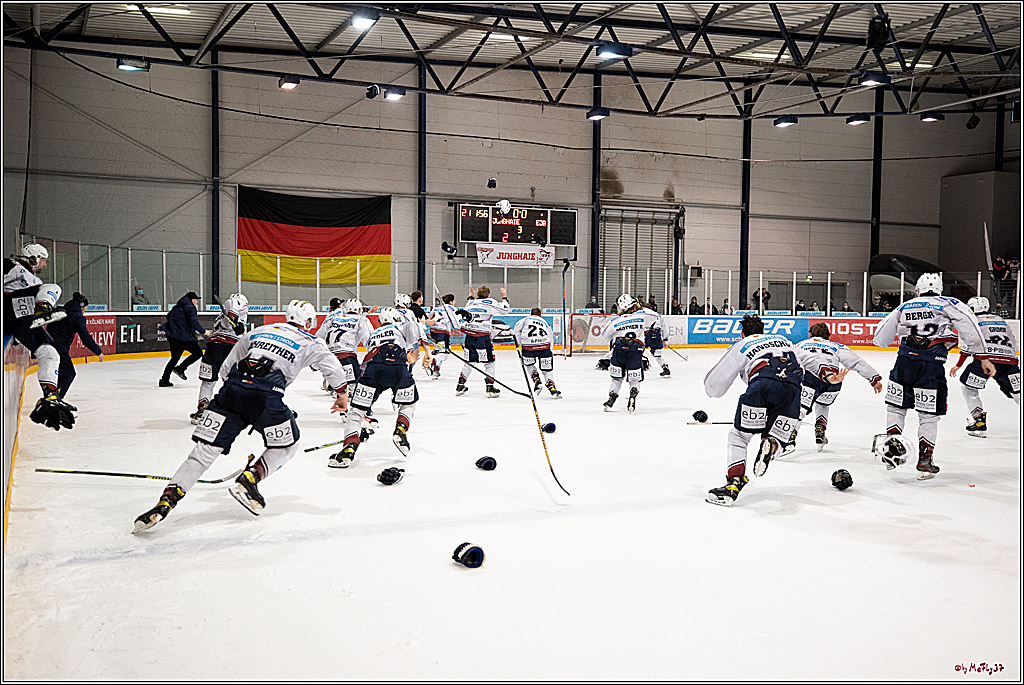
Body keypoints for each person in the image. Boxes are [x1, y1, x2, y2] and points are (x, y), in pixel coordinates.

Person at [133, 300, 348, 532]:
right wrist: (342, 396)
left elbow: (227, 366)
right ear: (308, 322)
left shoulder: (261, 330)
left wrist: (235, 397)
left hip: (232, 392)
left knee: (204, 452)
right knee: (288, 443)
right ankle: (250, 479)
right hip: (265, 397)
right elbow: (334, 370)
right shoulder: (311, 342)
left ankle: (166, 500)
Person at [871, 273, 990, 479]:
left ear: (918, 288)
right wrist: (977, 348)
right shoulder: (949, 303)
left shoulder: (905, 306)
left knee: (896, 407)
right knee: (928, 416)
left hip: (904, 363)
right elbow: (971, 329)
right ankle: (925, 461)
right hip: (931, 366)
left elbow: (880, 338)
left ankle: (891, 450)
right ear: (940, 288)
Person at [703, 315, 819, 506]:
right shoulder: (783, 340)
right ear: (763, 331)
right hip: (793, 390)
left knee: (739, 437)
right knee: (779, 437)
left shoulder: (743, 344)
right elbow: (808, 358)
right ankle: (772, 444)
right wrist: (827, 372)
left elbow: (715, 384)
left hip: (762, 386)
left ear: (742, 334)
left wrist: (711, 391)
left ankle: (733, 484)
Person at [327, 307, 431, 467]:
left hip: (373, 369)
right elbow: (415, 331)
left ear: (380, 321)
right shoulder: (400, 327)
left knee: (356, 413)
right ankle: (401, 429)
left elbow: (372, 356)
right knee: (409, 404)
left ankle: (348, 450)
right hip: (398, 367)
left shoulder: (374, 334)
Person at [4, 244, 75, 431]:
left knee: (50, 353)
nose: (44, 265)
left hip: (21, 321)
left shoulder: (29, 278)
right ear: (34, 257)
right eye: (43, 260)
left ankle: (50, 397)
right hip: (9, 312)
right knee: (53, 287)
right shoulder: (10, 267)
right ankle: (43, 309)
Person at [790, 322, 882, 452]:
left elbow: (787, 357)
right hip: (834, 380)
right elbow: (856, 361)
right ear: (828, 336)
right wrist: (874, 378)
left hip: (809, 377)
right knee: (823, 404)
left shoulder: (800, 344)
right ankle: (820, 430)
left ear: (810, 334)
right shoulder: (836, 346)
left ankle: (790, 436)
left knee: (801, 408)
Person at [948, 296, 1020, 437]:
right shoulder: (1001, 320)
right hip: (1009, 361)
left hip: (985, 361)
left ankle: (978, 421)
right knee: (1018, 393)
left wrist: (958, 365)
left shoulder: (974, 321)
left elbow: (971, 344)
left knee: (969, 388)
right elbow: (1013, 342)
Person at [191, 293, 249, 424]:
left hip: (212, 347)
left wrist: (237, 325)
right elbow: (232, 305)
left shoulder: (220, 318)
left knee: (208, 382)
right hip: (229, 347)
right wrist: (235, 320)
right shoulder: (237, 302)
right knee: (232, 380)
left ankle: (202, 411)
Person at [599, 294, 661, 413]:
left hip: (618, 352)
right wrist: (638, 308)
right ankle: (632, 396)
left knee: (617, 379)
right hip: (635, 352)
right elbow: (655, 316)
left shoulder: (615, 320)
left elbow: (605, 335)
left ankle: (611, 398)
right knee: (634, 379)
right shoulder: (643, 315)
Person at [315, 297, 374, 411]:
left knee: (341, 384)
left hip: (330, 358)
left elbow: (318, 337)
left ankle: (334, 387)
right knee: (356, 385)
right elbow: (368, 339)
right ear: (358, 310)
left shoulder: (334, 318)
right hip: (347, 356)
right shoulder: (360, 319)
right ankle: (358, 411)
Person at [47, 291, 104, 403]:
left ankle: (53, 397)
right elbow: (85, 337)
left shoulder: (63, 311)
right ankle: (54, 401)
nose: (84, 311)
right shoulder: (76, 317)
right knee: (69, 373)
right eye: (85, 309)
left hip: (50, 344)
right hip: (58, 347)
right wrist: (98, 351)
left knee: (61, 373)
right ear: (81, 306)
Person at [456, 285, 510, 398]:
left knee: (469, 362)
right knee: (489, 363)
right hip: (482, 336)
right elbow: (505, 310)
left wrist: (471, 296)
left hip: (470, 336)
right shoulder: (490, 302)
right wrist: (504, 297)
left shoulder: (471, 303)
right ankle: (490, 387)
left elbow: (467, 309)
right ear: (488, 294)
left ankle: (460, 385)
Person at [159, 291, 207, 387]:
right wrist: (203, 331)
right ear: (193, 300)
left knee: (175, 357)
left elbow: (168, 316)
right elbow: (194, 322)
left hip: (172, 335)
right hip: (183, 336)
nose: (196, 302)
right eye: (196, 300)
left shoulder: (177, 306)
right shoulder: (190, 308)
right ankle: (181, 368)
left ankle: (164, 380)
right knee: (198, 353)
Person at [513, 307, 561, 398]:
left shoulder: (524, 320)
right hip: (544, 346)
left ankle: (536, 380)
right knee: (547, 370)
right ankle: (552, 388)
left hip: (528, 347)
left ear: (531, 314)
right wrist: (549, 349)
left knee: (529, 365)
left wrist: (521, 343)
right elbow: (550, 336)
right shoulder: (544, 321)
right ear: (540, 315)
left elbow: (516, 331)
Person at [427, 293, 458, 379]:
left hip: (433, 332)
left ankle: (436, 369)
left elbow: (429, 319)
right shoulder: (452, 308)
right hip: (443, 333)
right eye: (454, 300)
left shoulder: (436, 309)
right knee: (444, 353)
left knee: (439, 351)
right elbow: (456, 322)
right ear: (451, 301)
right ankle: (434, 361)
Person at [640, 299, 670, 378]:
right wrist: (665, 339)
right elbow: (664, 328)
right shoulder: (658, 316)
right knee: (657, 354)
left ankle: (636, 367)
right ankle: (664, 367)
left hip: (647, 335)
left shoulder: (642, 314)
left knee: (638, 350)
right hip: (657, 335)